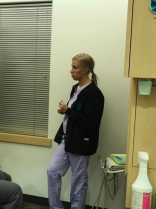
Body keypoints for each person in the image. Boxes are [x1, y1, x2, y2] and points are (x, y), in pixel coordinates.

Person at [47, 53, 105, 209]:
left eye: (74, 67)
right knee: (52, 172)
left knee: (78, 180)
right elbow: (75, 112)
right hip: (67, 139)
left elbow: (91, 123)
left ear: (85, 70)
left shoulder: (94, 93)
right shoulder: (75, 88)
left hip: (80, 143)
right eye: (71, 67)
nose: (71, 71)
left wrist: (69, 111)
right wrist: (65, 111)